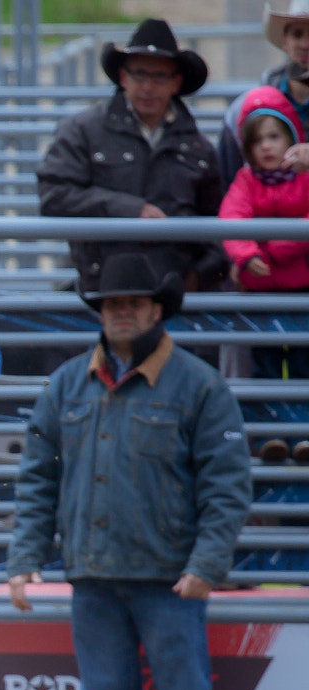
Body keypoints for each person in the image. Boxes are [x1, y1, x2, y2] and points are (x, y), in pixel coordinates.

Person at [4, 254, 251, 690]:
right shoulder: (67, 384)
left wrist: (207, 564)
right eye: (112, 303)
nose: (122, 312)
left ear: (157, 309)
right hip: (94, 576)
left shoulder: (198, 386)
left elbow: (227, 485)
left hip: (170, 579)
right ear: (100, 310)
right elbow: (37, 479)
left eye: (134, 303)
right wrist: (25, 557)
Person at [37, 19, 226, 296]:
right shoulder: (82, 131)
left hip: (174, 295)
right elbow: (54, 196)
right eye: (139, 75)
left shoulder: (199, 149)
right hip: (101, 290)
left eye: (159, 76)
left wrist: (200, 275)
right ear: (123, 77)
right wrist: (128, 210)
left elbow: (220, 224)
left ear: (176, 82)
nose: (148, 87)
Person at [219, 87, 309, 467]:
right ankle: (269, 434)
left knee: (304, 366)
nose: (267, 147)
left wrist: (271, 248)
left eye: (275, 136)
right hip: (260, 293)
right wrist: (245, 252)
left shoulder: (304, 178)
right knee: (264, 368)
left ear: (291, 138)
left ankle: (303, 432)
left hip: (301, 288)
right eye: (258, 141)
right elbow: (232, 218)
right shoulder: (246, 181)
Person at [216, 0, 309, 188]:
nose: (305, 44)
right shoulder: (243, 110)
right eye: (297, 34)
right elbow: (230, 182)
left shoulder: (246, 107)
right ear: (285, 41)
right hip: (260, 211)